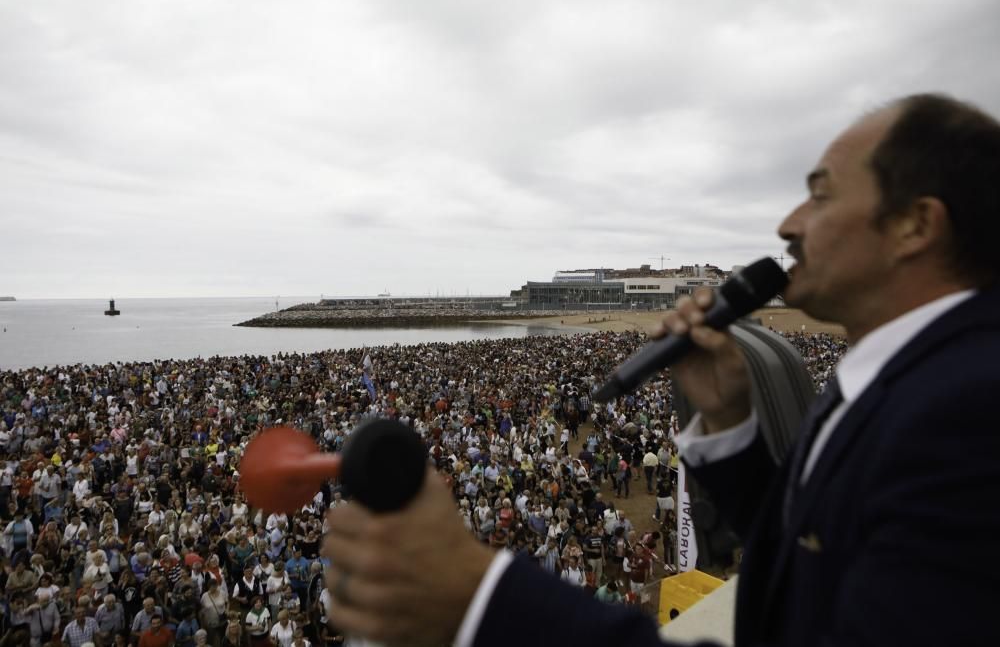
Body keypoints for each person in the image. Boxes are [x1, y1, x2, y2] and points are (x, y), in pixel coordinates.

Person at [320, 94, 1000, 646]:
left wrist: (483, 594)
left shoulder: (969, 411)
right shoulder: (895, 371)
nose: (788, 223)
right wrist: (731, 424)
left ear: (916, 225)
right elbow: (815, 556)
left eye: (820, 195)